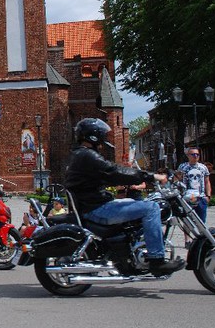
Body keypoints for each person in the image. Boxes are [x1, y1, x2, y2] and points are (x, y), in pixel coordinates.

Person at [65, 118, 185, 276]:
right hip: (97, 209)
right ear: (93, 136)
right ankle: (157, 260)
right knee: (151, 208)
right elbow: (115, 172)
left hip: (92, 205)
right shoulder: (88, 156)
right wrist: (152, 176)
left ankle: (128, 253)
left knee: (138, 204)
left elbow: (110, 174)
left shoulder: (81, 155)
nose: (104, 138)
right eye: (102, 135)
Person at [177, 147, 211, 223]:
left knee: (201, 222)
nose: (195, 156)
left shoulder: (203, 167)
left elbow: (207, 182)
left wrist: (208, 196)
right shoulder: (182, 167)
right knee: (188, 222)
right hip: (187, 197)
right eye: (193, 154)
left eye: (197, 154)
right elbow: (178, 181)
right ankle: (187, 235)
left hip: (200, 197)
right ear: (188, 155)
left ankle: (201, 235)